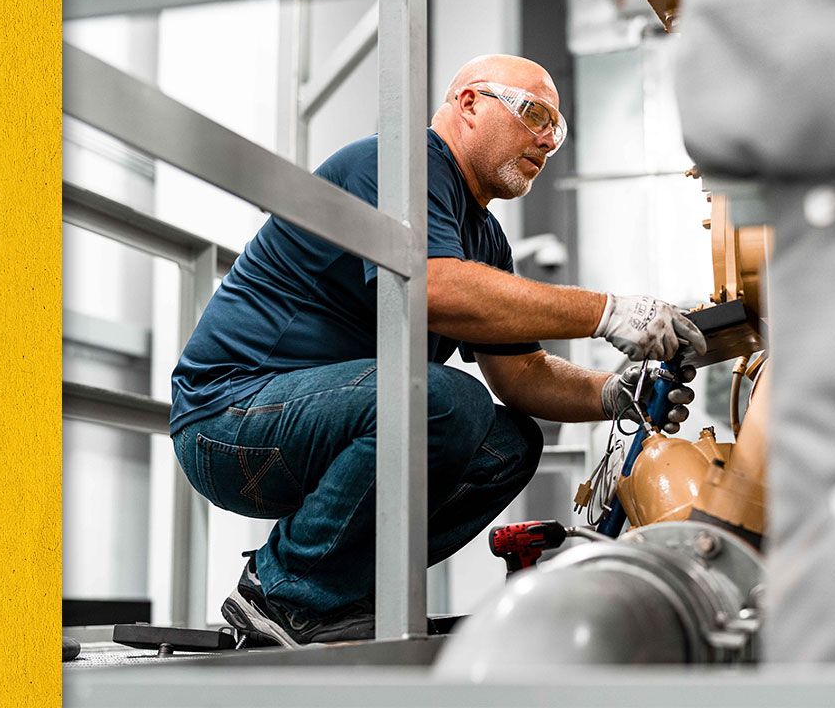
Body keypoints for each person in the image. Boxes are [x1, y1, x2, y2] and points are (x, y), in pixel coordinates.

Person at [169, 54, 706, 647]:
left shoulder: (484, 238)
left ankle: (341, 593)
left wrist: (611, 394)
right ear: (470, 104)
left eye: (558, 128)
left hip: (319, 428)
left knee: (510, 441)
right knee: (447, 399)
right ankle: (285, 594)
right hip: (228, 419)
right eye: (534, 114)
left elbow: (522, 374)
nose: (548, 141)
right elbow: (434, 287)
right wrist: (609, 311)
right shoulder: (395, 165)